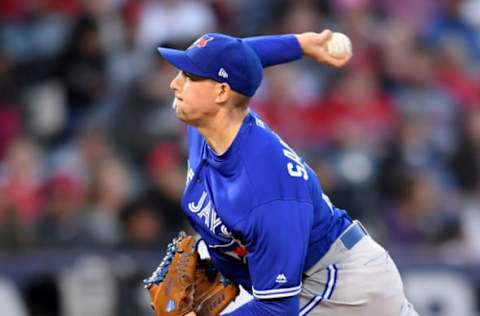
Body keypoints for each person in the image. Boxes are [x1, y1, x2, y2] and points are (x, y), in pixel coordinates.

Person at [155, 30, 418, 315]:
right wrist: (299, 45)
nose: (175, 84)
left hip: (340, 286)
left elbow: (277, 310)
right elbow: (240, 58)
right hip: (313, 277)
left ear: (221, 92)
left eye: (190, 77)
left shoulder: (264, 188)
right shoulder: (208, 121)